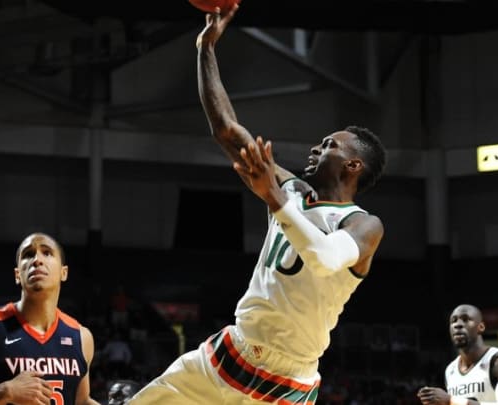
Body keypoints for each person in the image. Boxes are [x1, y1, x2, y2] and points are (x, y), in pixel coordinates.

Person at [129, 4, 386, 404]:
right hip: (230, 354)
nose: (318, 146)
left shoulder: (363, 225)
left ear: (354, 165)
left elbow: (322, 257)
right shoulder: (292, 190)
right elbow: (227, 131)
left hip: (287, 381)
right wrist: (205, 49)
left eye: (330, 145)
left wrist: (274, 198)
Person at [0, 232, 100, 405]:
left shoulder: (81, 337)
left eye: (47, 253)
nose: (37, 260)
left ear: (64, 272)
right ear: (17, 275)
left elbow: (81, 401)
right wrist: (5, 391)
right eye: (28, 254)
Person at [417, 304, 498, 405]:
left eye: (465, 319)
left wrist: (450, 400)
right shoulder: (450, 370)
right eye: (453, 321)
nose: (457, 324)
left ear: (481, 327)